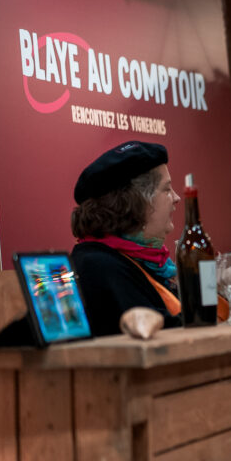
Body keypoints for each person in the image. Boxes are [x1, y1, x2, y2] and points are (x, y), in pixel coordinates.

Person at [70, 141, 182, 336]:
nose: (177, 197)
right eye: (166, 189)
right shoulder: (98, 266)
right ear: (137, 204)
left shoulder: (146, 261)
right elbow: (164, 333)